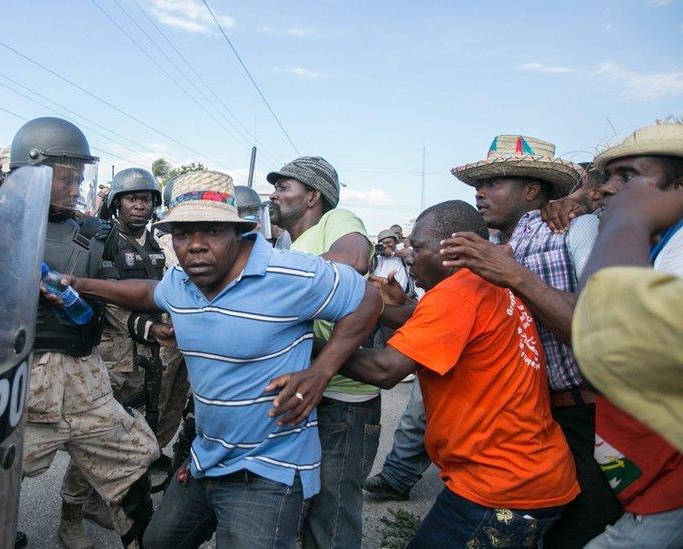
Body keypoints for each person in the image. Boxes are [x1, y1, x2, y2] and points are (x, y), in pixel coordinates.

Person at [59, 170, 381, 548]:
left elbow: (368, 301)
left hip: (268, 474)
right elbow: (150, 293)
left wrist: (321, 372)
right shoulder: (182, 281)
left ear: (238, 232)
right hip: (205, 461)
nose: (194, 245)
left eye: (211, 230)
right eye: (182, 234)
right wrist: (82, 285)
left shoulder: (287, 274)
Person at [272, 200, 580, 548]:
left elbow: (386, 369)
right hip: (537, 473)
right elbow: (436, 325)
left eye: (418, 248)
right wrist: (395, 307)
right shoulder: (486, 283)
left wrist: (304, 344)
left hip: (500, 486)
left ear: (454, 247)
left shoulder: (454, 294)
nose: (410, 257)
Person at [0, 117, 159, 549]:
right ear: (32, 171)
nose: (76, 184)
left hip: (86, 379)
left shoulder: (98, 236)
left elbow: (120, 299)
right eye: (66, 174)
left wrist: (151, 326)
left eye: (80, 174)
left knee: (133, 459)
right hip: (18, 380)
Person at [441, 134, 621, 547]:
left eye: (493, 183)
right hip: (543, 420)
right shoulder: (501, 245)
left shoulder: (574, 228)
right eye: (477, 186)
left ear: (532, 190)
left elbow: (600, 329)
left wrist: (513, 275)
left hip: (595, 419)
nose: (480, 194)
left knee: (584, 534)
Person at [572, 123, 683, 548]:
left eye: (629, 177)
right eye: (608, 177)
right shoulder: (659, 245)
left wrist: (628, 221)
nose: (606, 190)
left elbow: (607, 345)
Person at [267, 156, 378, 548]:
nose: (274, 194)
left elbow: (354, 259)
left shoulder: (337, 220)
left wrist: (268, 278)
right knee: (301, 502)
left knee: (332, 516)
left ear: (313, 195)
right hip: (303, 389)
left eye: (284, 187)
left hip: (342, 401)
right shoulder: (285, 241)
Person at [61, 167, 172, 535]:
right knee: (94, 439)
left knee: (126, 438)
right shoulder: (104, 240)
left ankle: (99, 503)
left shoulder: (155, 246)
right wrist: (150, 329)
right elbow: (104, 298)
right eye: (131, 198)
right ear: (116, 203)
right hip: (111, 355)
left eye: (146, 198)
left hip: (145, 356)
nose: (140, 205)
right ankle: (70, 521)